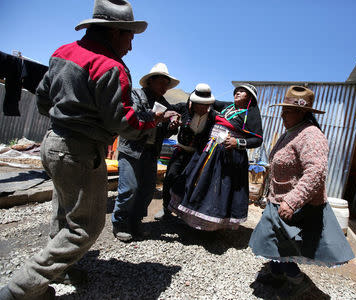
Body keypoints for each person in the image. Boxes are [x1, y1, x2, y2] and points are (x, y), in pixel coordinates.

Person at [0, 1, 177, 299]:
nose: (131, 47)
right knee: (84, 226)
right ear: (115, 33)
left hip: (53, 143)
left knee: (63, 212)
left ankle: (58, 270)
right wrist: (151, 121)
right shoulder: (112, 67)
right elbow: (121, 120)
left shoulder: (62, 53)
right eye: (130, 37)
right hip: (80, 152)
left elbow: (43, 99)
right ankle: (20, 290)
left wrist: (68, 115)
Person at [248, 86, 354, 294]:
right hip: (277, 200)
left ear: (303, 113)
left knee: (284, 245)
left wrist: (292, 201)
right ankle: (277, 273)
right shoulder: (290, 133)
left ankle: (297, 282)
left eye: (288, 111)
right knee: (274, 243)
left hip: (295, 205)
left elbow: (316, 172)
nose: (282, 115)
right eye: (283, 110)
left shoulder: (310, 135)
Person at [169, 83, 263, 230]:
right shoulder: (227, 106)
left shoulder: (251, 115)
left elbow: (258, 140)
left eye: (242, 92)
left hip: (229, 157)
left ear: (250, 98)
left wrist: (237, 142)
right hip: (208, 150)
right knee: (197, 181)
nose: (237, 92)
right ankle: (190, 219)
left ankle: (211, 225)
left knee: (217, 189)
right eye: (237, 90)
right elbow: (207, 100)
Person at [111, 63, 181, 241]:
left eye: (167, 84)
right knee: (129, 188)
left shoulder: (165, 104)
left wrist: (172, 127)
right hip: (132, 149)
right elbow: (132, 118)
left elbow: (163, 133)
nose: (164, 87)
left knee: (147, 190)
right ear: (150, 81)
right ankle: (119, 223)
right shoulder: (136, 95)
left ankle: (135, 223)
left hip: (150, 152)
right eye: (161, 83)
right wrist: (156, 116)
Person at [155, 83, 217, 220]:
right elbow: (167, 110)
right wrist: (172, 118)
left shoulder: (212, 115)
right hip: (180, 151)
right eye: (199, 104)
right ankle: (166, 209)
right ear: (192, 103)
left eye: (205, 105)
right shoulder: (183, 108)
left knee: (190, 183)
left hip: (198, 156)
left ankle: (183, 213)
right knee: (170, 177)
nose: (202, 108)